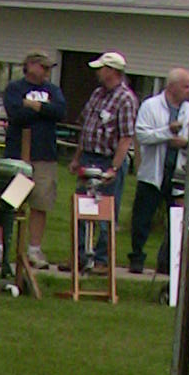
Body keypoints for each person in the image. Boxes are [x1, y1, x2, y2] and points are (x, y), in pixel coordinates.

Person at [70, 50, 137, 270]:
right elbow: (86, 128)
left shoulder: (125, 99)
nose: (98, 73)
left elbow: (126, 137)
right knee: (82, 206)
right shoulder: (97, 94)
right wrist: (77, 158)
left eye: (101, 69)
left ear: (111, 71)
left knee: (106, 211)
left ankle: (101, 259)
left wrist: (114, 168)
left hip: (108, 159)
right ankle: (79, 255)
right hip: (88, 156)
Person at [0, 50, 67, 267]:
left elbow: (60, 111)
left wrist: (34, 106)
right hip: (19, 155)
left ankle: (34, 250)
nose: (46, 72)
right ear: (30, 65)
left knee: (40, 203)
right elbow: (16, 114)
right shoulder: (15, 88)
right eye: (43, 67)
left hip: (44, 155)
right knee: (11, 201)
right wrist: (43, 112)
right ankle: (1, 248)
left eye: (49, 68)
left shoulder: (53, 90)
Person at [129, 66, 189, 274]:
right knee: (142, 218)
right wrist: (167, 133)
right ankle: (137, 257)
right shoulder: (150, 106)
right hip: (152, 172)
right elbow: (142, 135)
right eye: (186, 86)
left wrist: (185, 143)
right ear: (172, 87)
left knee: (176, 220)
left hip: (179, 173)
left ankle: (168, 262)